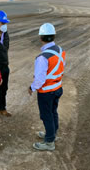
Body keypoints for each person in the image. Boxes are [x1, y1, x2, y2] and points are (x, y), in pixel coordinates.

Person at [28, 23, 66, 151]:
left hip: (46, 91)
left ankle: (49, 142)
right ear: (54, 35)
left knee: (46, 115)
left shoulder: (42, 57)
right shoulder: (60, 50)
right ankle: (52, 134)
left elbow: (39, 79)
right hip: (57, 88)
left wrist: (32, 88)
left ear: (41, 37)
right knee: (53, 112)